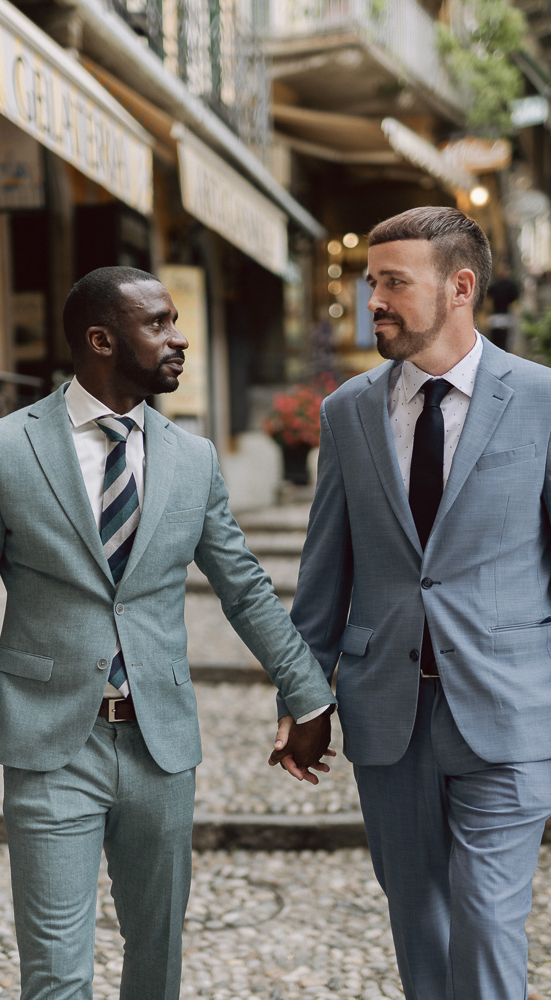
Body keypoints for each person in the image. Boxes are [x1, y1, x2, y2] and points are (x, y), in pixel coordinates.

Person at [0, 266, 335, 1000]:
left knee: (156, 958)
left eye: (174, 321)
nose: (179, 339)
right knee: (55, 973)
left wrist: (308, 695)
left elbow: (244, 588)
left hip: (159, 748)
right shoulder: (4, 447)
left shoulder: (192, 460)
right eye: (159, 324)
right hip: (47, 748)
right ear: (101, 340)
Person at [270, 207, 551, 1000]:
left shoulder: (541, 400)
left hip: (510, 706)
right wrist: (302, 695)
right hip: (387, 710)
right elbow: (326, 572)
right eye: (370, 284)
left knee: (488, 916)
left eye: (393, 282)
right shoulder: (347, 412)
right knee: (415, 914)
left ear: (459, 287)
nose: (374, 302)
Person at [486, 260, 519, 351]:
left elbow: (514, 302)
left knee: (506, 340)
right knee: (495, 339)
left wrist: (514, 315)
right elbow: (488, 300)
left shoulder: (511, 285)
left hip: (506, 316)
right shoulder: (493, 284)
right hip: (495, 315)